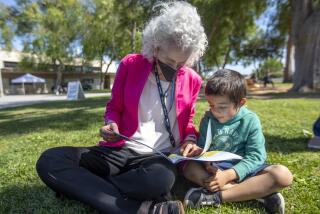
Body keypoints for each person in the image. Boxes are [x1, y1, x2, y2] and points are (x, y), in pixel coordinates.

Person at [36, 1, 207, 214]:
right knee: (51, 160)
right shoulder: (130, 64)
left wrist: (190, 139)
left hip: (157, 158)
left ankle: (85, 185)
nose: (174, 69)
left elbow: (188, 120)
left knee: (161, 180)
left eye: (180, 64)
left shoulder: (193, 80)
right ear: (155, 46)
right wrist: (111, 124)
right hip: (119, 149)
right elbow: (114, 107)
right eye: (168, 60)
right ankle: (145, 208)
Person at [181, 69, 293, 214]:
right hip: (215, 171)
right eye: (211, 105)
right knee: (189, 167)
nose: (215, 111)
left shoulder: (250, 120)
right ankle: (256, 194)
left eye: (222, 107)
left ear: (241, 102)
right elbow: (204, 148)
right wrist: (202, 157)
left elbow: (256, 156)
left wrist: (228, 175)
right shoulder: (208, 120)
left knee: (283, 175)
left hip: (247, 171)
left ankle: (215, 196)